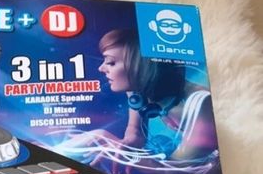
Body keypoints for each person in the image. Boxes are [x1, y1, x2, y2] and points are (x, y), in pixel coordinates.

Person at [68, 29, 215, 164]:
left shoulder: (201, 104)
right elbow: (135, 133)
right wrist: (123, 143)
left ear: (140, 66)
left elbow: (174, 171)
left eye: (111, 62)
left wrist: (107, 141)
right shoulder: (136, 91)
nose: (101, 68)